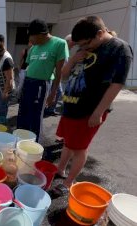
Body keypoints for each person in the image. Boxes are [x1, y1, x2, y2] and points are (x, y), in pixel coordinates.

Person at [51, 16, 133, 197]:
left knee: (79, 148)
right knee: (68, 143)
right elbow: (64, 75)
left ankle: (68, 182)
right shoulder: (84, 45)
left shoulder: (119, 49)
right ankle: (60, 170)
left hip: (89, 112)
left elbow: (117, 84)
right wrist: (73, 58)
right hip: (71, 106)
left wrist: (98, 112)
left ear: (100, 33)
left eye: (87, 44)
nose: (85, 48)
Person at [17, 19, 69, 142]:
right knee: (23, 114)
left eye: (32, 36)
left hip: (41, 85)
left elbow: (59, 72)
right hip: (28, 83)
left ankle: (35, 144)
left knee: (35, 116)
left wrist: (53, 93)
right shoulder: (33, 48)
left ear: (41, 34)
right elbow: (28, 68)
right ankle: (20, 141)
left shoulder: (59, 44)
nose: (30, 39)